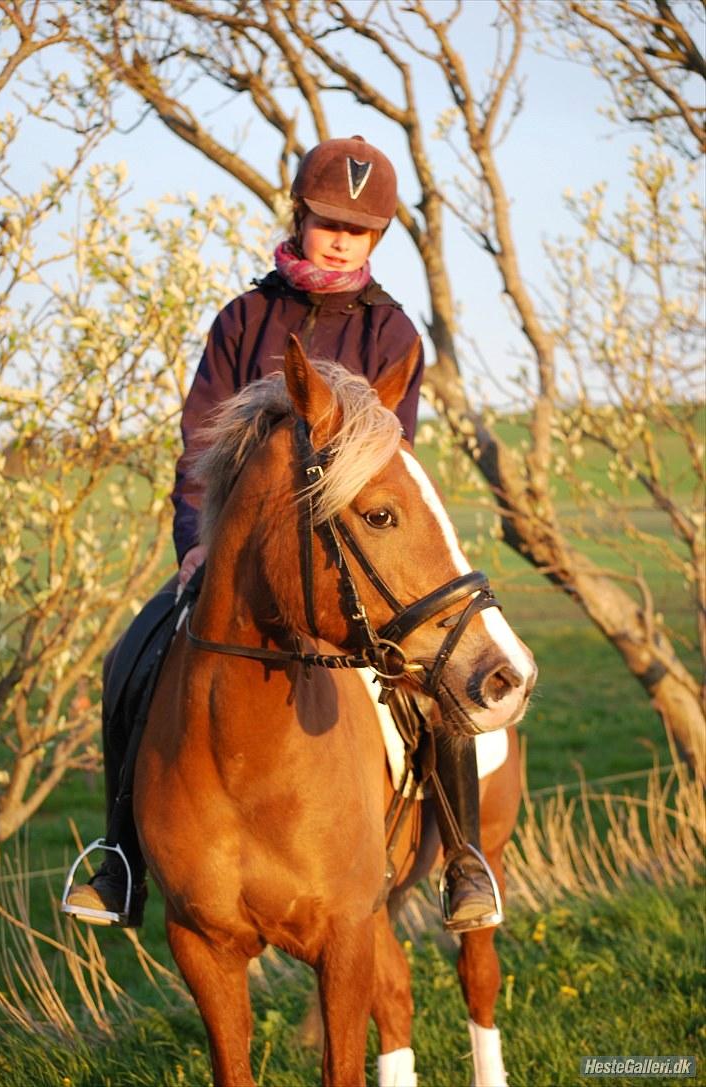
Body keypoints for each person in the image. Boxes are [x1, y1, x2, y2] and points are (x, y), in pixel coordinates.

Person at [64, 136, 500, 932]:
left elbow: (387, 463)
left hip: (345, 560)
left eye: (358, 228)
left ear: (378, 237)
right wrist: (196, 538)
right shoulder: (244, 317)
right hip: (237, 552)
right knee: (135, 649)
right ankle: (121, 855)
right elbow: (201, 441)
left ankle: (464, 857)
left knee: (436, 674)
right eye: (328, 220)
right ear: (300, 215)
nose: (340, 237)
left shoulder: (392, 332)